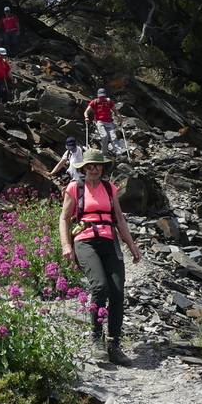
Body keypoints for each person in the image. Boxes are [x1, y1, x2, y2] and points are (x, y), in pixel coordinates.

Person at [58, 149, 142, 365]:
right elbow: (65, 218)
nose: (94, 168)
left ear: (102, 167)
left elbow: (120, 220)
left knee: (117, 289)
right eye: (90, 165)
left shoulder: (109, 188)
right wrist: (66, 245)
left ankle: (114, 344)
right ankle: (96, 338)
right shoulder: (74, 188)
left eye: (97, 165)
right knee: (99, 286)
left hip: (109, 240)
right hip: (85, 240)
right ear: (83, 168)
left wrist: (132, 246)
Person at [84, 88, 121, 156]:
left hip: (109, 122)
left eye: (103, 96)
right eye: (100, 96)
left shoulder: (109, 101)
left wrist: (119, 117)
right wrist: (86, 117)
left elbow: (115, 111)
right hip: (100, 122)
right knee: (104, 136)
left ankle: (119, 152)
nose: (102, 98)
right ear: (98, 95)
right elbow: (86, 112)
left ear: (105, 95)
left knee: (113, 137)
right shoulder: (94, 102)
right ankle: (104, 153)